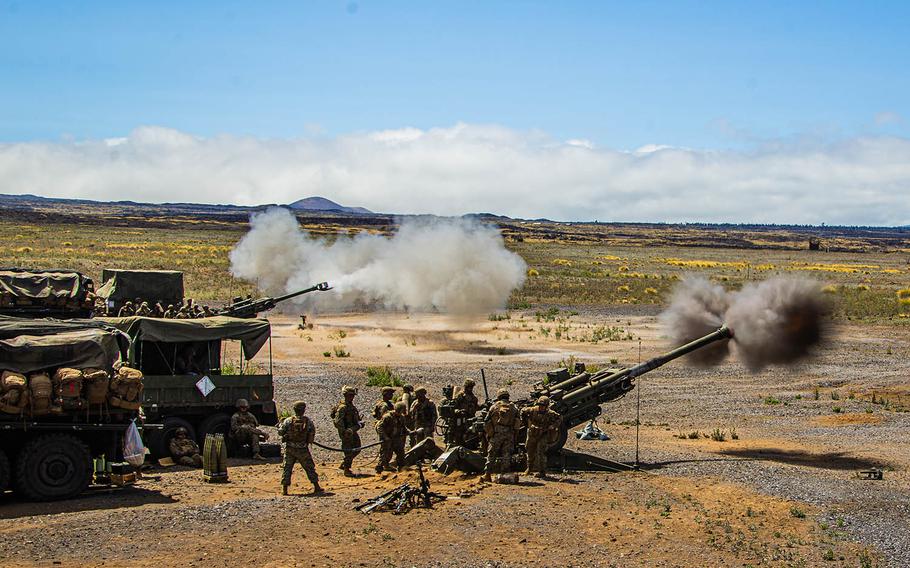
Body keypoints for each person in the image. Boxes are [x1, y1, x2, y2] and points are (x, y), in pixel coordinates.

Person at [277, 400, 322, 495]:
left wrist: (280, 425)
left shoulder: (288, 421)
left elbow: (281, 432)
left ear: (294, 409)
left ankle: (285, 490)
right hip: (302, 449)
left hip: (290, 448)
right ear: (303, 410)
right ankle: (316, 486)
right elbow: (312, 433)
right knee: (309, 467)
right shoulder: (308, 421)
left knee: (287, 468)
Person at [481, 389, 521, 482]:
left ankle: (487, 474)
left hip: (497, 434)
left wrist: (490, 433)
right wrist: (515, 436)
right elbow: (517, 423)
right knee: (506, 455)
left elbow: (486, 421)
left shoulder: (494, 407)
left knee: (491, 454)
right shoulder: (514, 408)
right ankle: (504, 475)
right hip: (509, 434)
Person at [520, 396, 562, 479]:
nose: (541, 407)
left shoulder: (550, 413)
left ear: (546, 406)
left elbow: (560, 418)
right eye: (540, 405)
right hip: (532, 434)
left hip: (543, 435)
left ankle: (542, 472)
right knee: (530, 451)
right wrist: (526, 423)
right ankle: (529, 468)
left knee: (541, 452)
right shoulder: (532, 410)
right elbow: (522, 411)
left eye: (543, 405)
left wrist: (553, 426)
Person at [332, 385, 363, 476]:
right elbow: (338, 421)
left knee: (357, 448)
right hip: (347, 433)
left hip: (352, 430)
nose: (352, 397)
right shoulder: (343, 407)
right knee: (349, 450)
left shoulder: (350, 405)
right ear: (346, 395)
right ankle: (346, 469)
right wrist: (345, 431)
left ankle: (345, 464)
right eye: (351, 395)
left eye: (353, 395)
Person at [375, 402, 411, 473]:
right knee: (385, 454)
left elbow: (403, 427)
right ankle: (380, 468)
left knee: (400, 452)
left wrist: (408, 431)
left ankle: (401, 467)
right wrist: (385, 437)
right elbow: (380, 427)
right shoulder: (387, 417)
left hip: (396, 438)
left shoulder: (401, 417)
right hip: (387, 438)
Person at [450, 378, 479, 446]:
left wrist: (484, 406)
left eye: (472, 387)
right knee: (459, 432)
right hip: (460, 418)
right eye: (470, 387)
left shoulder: (473, 397)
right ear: (466, 387)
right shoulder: (460, 396)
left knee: (474, 431)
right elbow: (454, 406)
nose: (471, 389)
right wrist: (458, 411)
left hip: (471, 418)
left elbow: (476, 407)